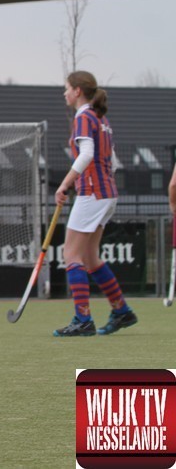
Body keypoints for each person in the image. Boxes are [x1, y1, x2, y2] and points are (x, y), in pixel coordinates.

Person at [53, 70, 137, 337]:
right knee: (90, 257)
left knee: (71, 254)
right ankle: (122, 311)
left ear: (78, 91)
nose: (64, 93)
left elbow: (87, 154)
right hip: (107, 193)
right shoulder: (101, 119)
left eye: (67, 88)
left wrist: (65, 183)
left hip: (93, 193)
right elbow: (112, 160)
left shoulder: (83, 117)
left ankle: (83, 319)